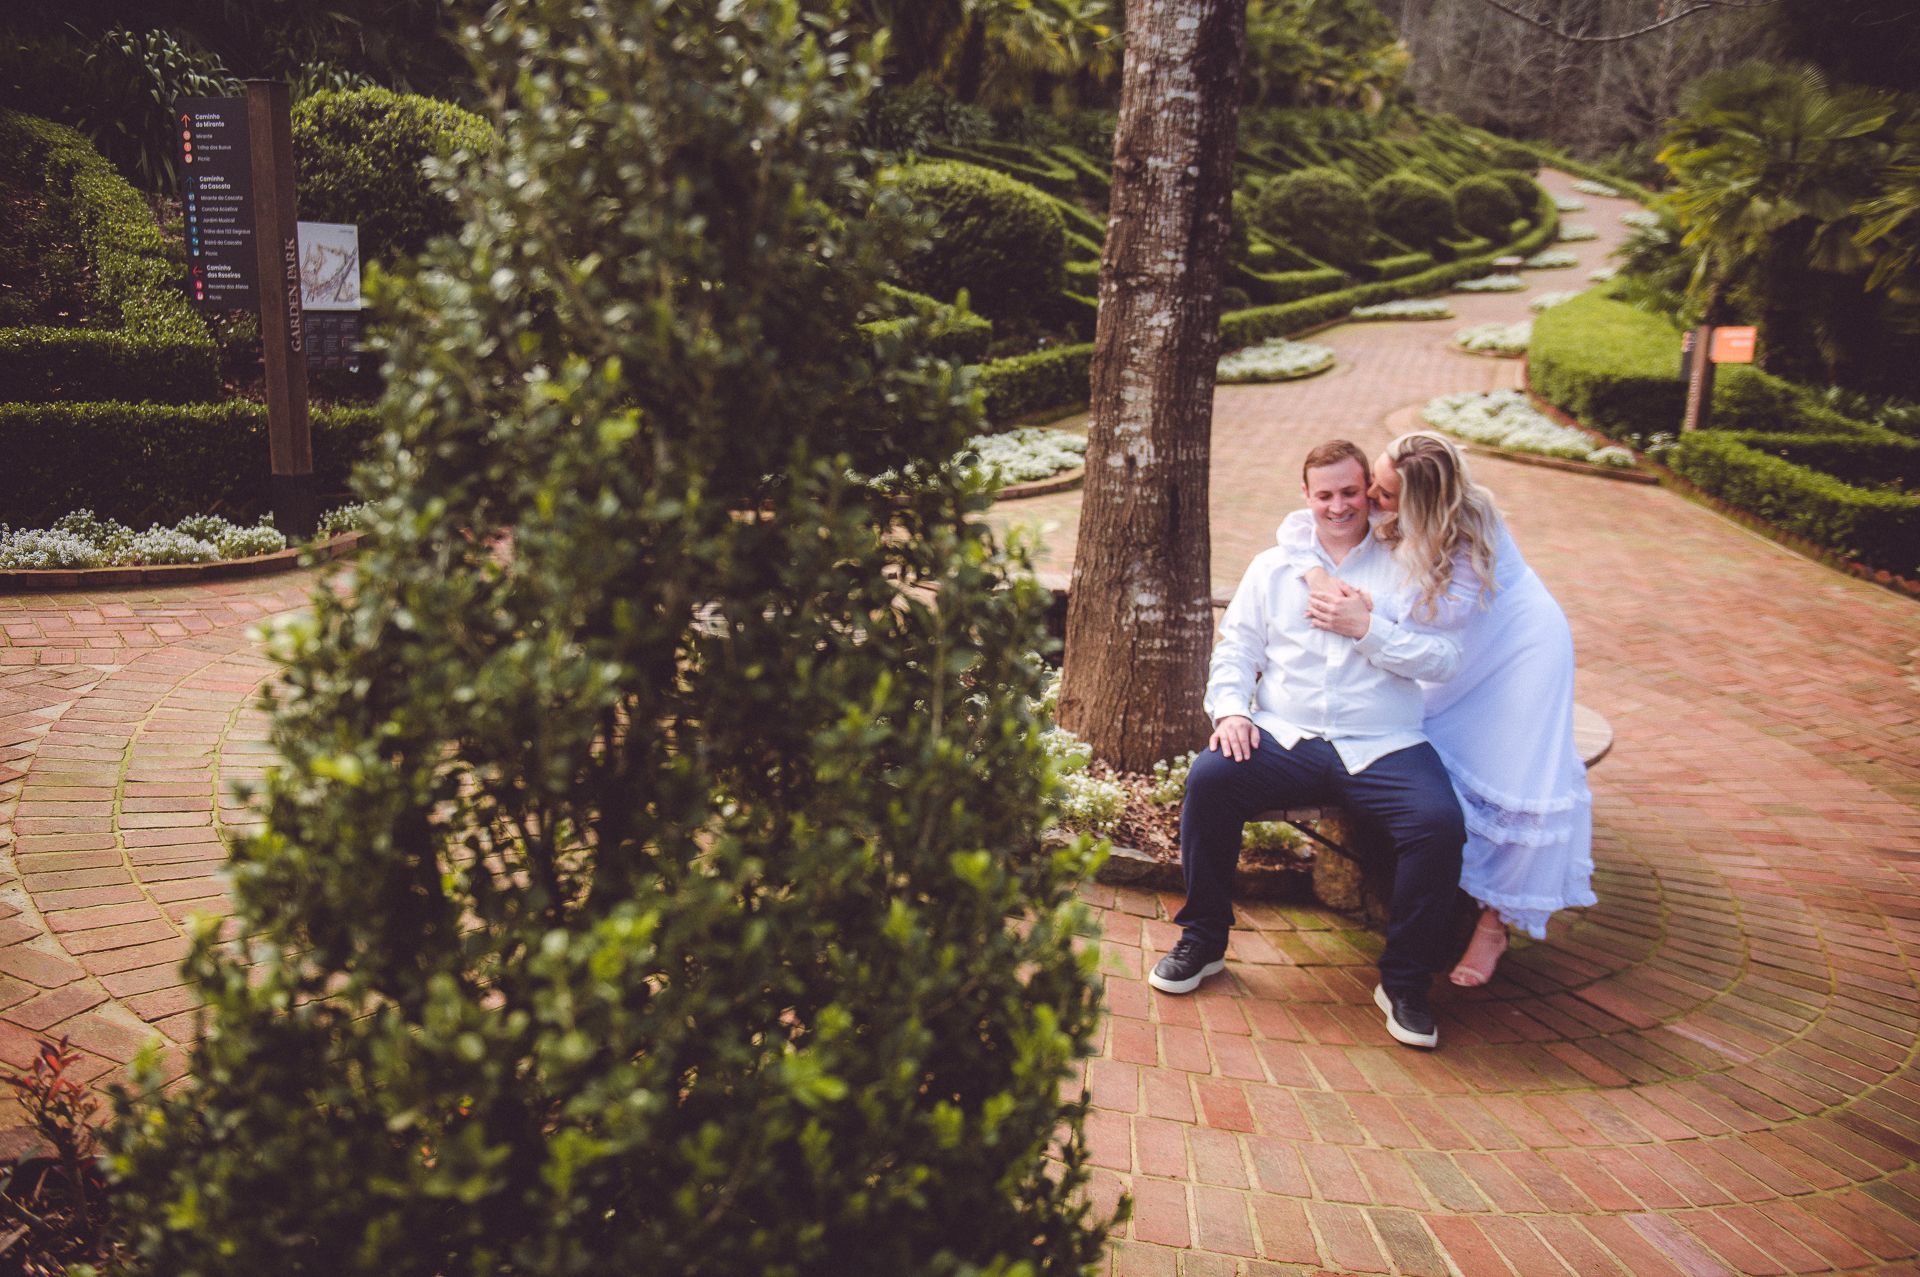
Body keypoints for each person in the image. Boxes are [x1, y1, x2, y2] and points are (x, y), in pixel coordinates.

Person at [1147, 439, 1470, 1050]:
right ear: (1306, 497)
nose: (1339, 506)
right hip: (1285, 733)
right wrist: (1233, 712)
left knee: (1439, 824)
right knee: (1211, 780)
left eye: (1351, 492)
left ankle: (1404, 981)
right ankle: (1203, 940)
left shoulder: (1409, 562)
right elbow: (1237, 650)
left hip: (1384, 741)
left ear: (1368, 492)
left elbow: (1446, 658)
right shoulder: (1274, 567)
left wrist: (1368, 631)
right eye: (1325, 495)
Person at [1290, 432, 1596, 986]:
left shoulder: (1469, 536)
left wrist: (1366, 608)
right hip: (1461, 648)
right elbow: (1297, 528)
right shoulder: (1392, 508)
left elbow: (1438, 617)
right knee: (1426, 743)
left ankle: (1493, 923)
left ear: (1420, 504)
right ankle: (1418, 869)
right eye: (1377, 485)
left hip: (1518, 651)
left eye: (1384, 495)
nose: (1373, 502)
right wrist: (1321, 576)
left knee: (1516, 774)